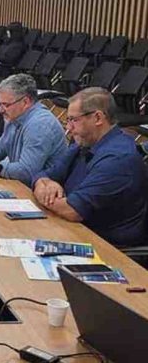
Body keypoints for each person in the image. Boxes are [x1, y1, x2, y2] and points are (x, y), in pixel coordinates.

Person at [32, 88, 148, 247]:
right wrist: (47, 183)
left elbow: (72, 211)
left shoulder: (118, 159)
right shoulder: (84, 143)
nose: (69, 128)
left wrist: (42, 192)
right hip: (74, 230)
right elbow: (42, 175)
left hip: (106, 248)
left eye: (73, 120)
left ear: (98, 118)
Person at [0, 74, 67, 186]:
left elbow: (26, 173)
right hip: (17, 183)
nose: (0, 110)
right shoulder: (15, 115)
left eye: (5, 105)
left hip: (37, 190)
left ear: (26, 102)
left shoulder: (40, 125)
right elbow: (0, 147)